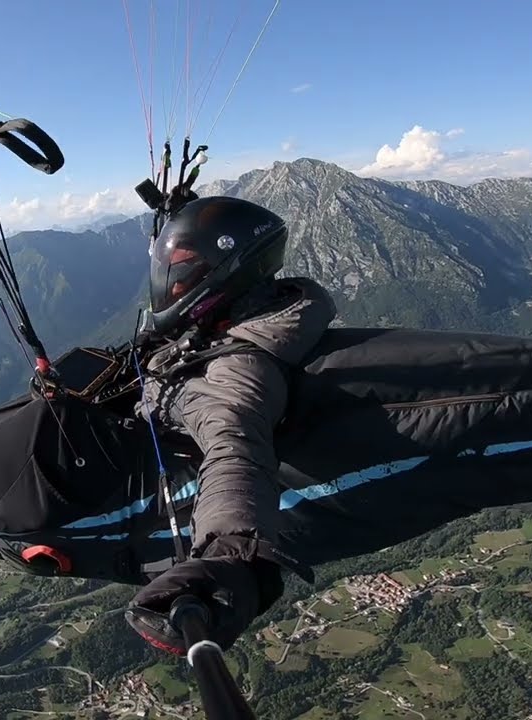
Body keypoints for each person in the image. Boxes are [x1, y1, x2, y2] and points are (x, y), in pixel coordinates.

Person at [124, 194, 337, 655]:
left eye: (184, 270)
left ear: (223, 276)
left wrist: (233, 559)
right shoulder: (238, 316)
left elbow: (235, 449)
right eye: (170, 266)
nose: (171, 281)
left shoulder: (240, 371)